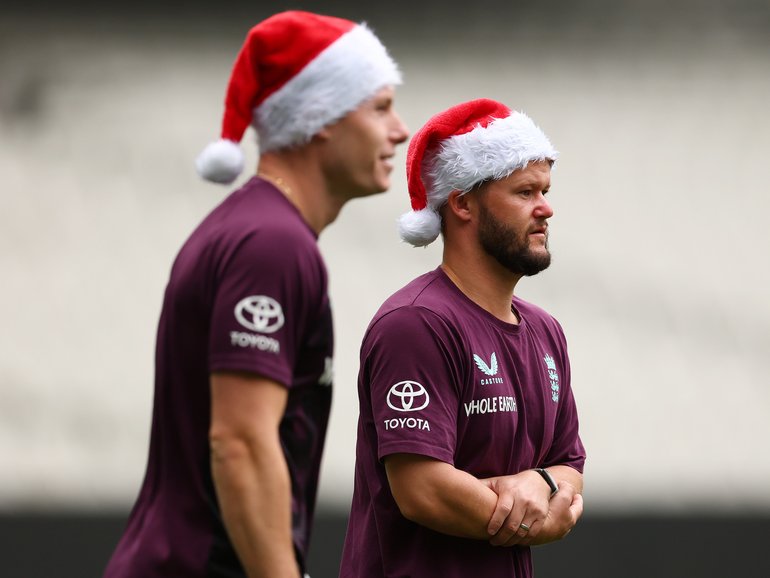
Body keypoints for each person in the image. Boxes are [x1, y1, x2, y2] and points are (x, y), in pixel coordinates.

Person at [103, 11, 408, 578]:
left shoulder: (258, 230)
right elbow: (240, 441)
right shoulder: (272, 245)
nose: (400, 130)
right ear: (321, 116)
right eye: (381, 107)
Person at [339, 98, 585, 577]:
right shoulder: (417, 324)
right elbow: (423, 490)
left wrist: (539, 483)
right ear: (462, 203)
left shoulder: (546, 332)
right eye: (525, 192)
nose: (546, 208)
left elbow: (569, 467)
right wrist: (538, 517)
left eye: (545, 190)